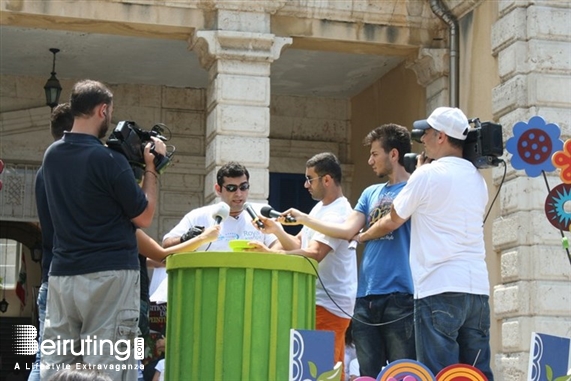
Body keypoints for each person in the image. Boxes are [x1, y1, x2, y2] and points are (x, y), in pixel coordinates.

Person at [40, 79, 166, 381]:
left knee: (56, 366)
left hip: (62, 276)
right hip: (108, 276)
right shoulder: (109, 160)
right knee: (107, 368)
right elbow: (145, 215)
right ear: (103, 109)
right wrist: (151, 167)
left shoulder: (52, 156)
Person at [361, 107, 494, 379]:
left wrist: (362, 236)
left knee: (438, 372)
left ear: (441, 136)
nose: (422, 140)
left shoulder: (427, 175)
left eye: (427, 134)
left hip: (438, 288)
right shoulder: (478, 179)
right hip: (477, 290)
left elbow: (393, 219)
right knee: (477, 373)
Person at [281, 125, 416, 376]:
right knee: (367, 373)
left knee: (402, 372)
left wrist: (363, 234)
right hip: (364, 296)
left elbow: (357, 233)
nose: (370, 160)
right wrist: (304, 220)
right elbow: (345, 231)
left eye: (375, 154)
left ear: (394, 154)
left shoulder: (414, 189)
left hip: (402, 294)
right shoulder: (369, 193)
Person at [247, 152, 357, 374]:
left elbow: (314, 253)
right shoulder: (321, 208)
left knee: (321, 371)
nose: (306, 185)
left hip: (329, 304)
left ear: (326, 179)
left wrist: (270, 255)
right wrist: (276, 230)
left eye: (310, 179)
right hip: (315, 301)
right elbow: (298, 243)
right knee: (315, 370)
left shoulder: (338, 212)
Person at [29, 103, 73, 381]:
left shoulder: (44, 171)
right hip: (69, 278)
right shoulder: (67, 171)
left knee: (45, 359)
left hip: (51, 277)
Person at [163, 161, 277, 251]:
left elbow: (280, 247)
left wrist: (266, 252)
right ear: (218, 189)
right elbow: (166, 244)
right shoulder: (198, 216)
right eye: (231, 188)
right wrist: (188, 238)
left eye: (243, 187)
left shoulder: (261, 215)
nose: (238, 194)